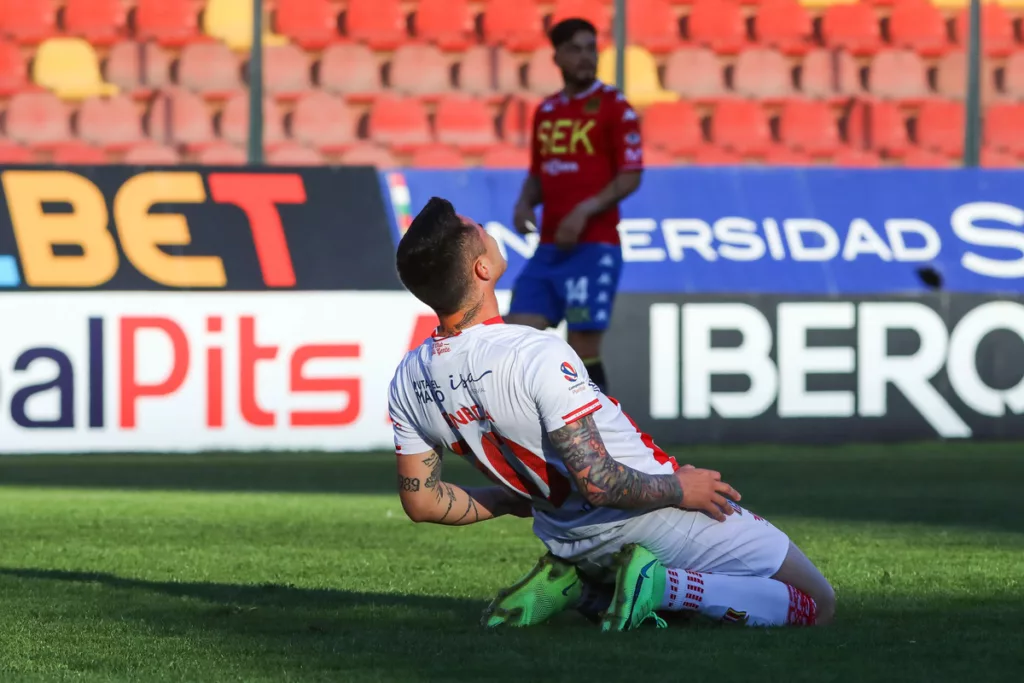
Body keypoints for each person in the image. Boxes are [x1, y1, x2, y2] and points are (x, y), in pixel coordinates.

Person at [389, 197, 836, 631]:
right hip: (649, 517)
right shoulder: (533, 350)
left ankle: (579, 588)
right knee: (816, 604)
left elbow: (423, 502)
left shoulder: (407, 379)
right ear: (481, 269)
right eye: (479, 231)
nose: (487, 231)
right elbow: (599, 482)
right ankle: (661, 585)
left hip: (565, 536)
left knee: (691, 618)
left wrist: (512, 498)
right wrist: (680, 489)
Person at [506, 17, 642, 395]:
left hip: (594, 247)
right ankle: (535, 436)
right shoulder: (547, 111)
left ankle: (606, 441)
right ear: (558, 57)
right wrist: (524, 202)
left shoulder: (616, 107)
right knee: (517, 333)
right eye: (576, 49)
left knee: (583, 349)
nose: (586, 57)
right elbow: (539, 173)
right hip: (549, 248)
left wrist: (584, 210)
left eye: (591, 48)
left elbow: (631, 175)